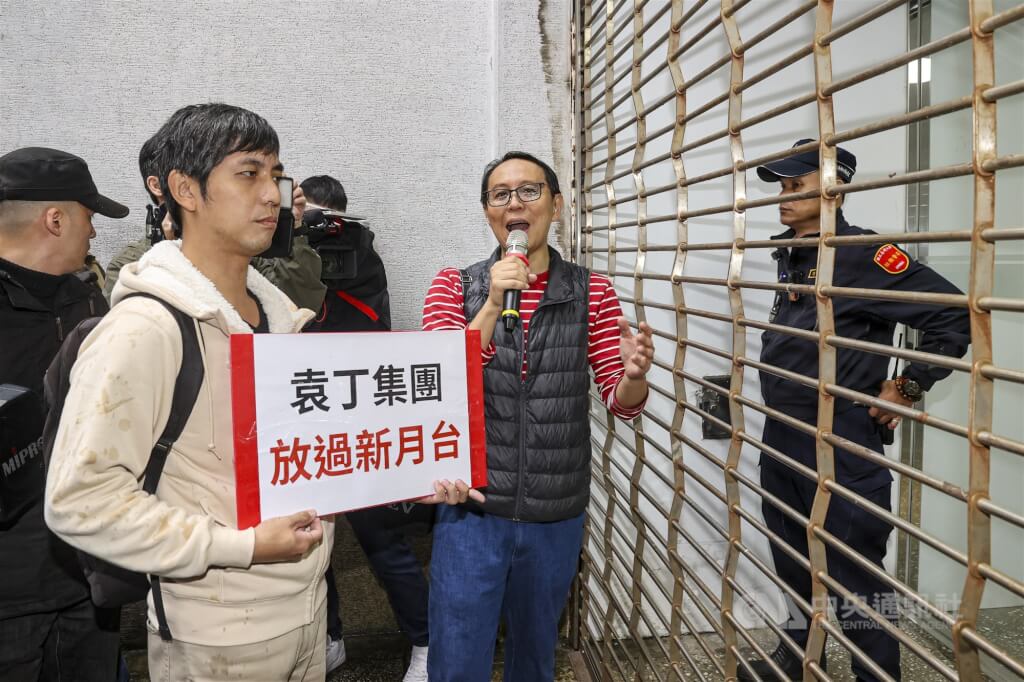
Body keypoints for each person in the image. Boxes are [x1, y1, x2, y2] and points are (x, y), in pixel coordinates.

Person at [44, 103, 333, 681]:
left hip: (309, 611)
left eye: (276, 175)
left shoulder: (281, 319)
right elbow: (80, 501)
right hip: (216, 634)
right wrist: (242, 547)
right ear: (185, 190)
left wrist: (410, 476)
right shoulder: (145, 328)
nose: (272, 194)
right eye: (248, 173)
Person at [740, 140, 971, 681]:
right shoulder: (794, 254)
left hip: (841, 440)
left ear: (834, 190)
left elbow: (953, 316)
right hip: (783, 435)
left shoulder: (862, 255)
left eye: (797, 186)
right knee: (793, 560)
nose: (784, 197)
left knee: (855, 579)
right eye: (783, 187)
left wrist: (908, 385)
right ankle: (799, 659)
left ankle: (876, 674)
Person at [421, 151, 655, 681]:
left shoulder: (591, 290)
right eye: (500, 195)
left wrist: (634, 374)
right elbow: (440, 382)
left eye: (529, 191)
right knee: (456, 662)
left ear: (557, 205)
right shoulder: (454, 286)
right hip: (471, 510)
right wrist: (491, 303)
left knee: (534, 660)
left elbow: (621, 402)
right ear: (487, 211)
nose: (515, 205)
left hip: (555, 512)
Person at [0, 146, 129, 680]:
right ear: (55, 220)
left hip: (87, 575)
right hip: (10, 598)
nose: (94, 232)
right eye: (88, 216)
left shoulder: (89, 300)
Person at [302, 175, 428, 680]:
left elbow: (360, 318)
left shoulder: (361, 252)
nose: (317, 228)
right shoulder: (281, 251)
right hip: (303, 418)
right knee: (311, 544)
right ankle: (330, 639)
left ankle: (426, 641)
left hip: (358, 422)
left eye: (323, 218)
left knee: (382, 542)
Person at [103, 128, 327, 312]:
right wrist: (172, 252)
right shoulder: (130, 265)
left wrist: (292, 227)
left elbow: (298, 305)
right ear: (169, 185)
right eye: (248, 175)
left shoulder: (243, 248)